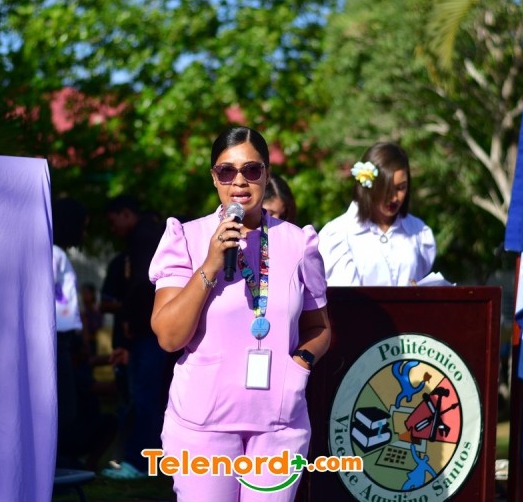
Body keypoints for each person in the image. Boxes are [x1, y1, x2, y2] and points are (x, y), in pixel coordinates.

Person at [148, 126, 332, 501]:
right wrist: (211, 264)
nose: (239, 182)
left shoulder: (299, 242)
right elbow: (168, 336)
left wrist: (299, 366)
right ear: (213, 177)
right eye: (226, 171)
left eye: (251, 170)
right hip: (202, 424)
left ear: (266, 173)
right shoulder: (186, 238)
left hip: (279, 423)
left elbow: (320, 327)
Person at [99, 195, 170, 480]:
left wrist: (129, 316)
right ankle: (149, 460)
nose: (113, 228)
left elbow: (144, 282)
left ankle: (139, 462)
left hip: (150, 330)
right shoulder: (148, 235)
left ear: (126, 214)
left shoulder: (144, 237)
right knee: (149, 397)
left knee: (145, 397)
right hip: (152, 328)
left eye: (113, 221)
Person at [318, 142, 436, 286]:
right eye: (386, 189)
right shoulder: (338, 234)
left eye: (401, 188)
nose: (394, 197)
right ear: (368, 186)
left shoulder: (419, 231)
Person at [51, 197, 88, 469]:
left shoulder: (56, 254)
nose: (83, 233)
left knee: (66, 401)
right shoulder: (54, 254)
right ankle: (55, 459)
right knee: (64, 403)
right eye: (82, 226)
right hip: (55, 338)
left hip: (62, 338)